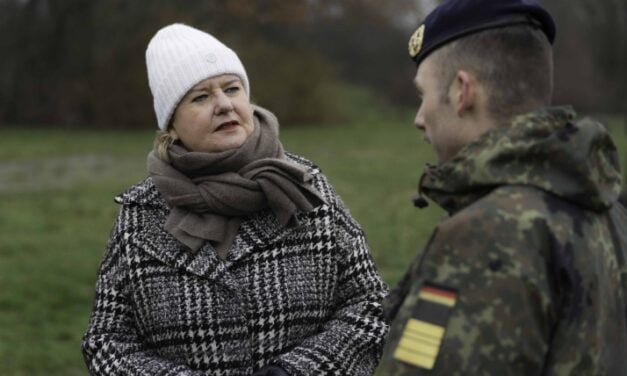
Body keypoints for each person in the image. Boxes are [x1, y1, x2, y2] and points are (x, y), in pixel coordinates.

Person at [82, 23, 389, 375]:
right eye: (201, 97)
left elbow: (370, 304)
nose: (225, 105)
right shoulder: (140, 214)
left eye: (232, 88)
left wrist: (298, 372)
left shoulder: (303, 186)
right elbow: (105, 341)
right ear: (171, 124)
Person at [377, 0, 627, 374]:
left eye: (422, 94)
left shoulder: (487, 236)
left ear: (462, 91)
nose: (418, 118)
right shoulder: (608, 208)